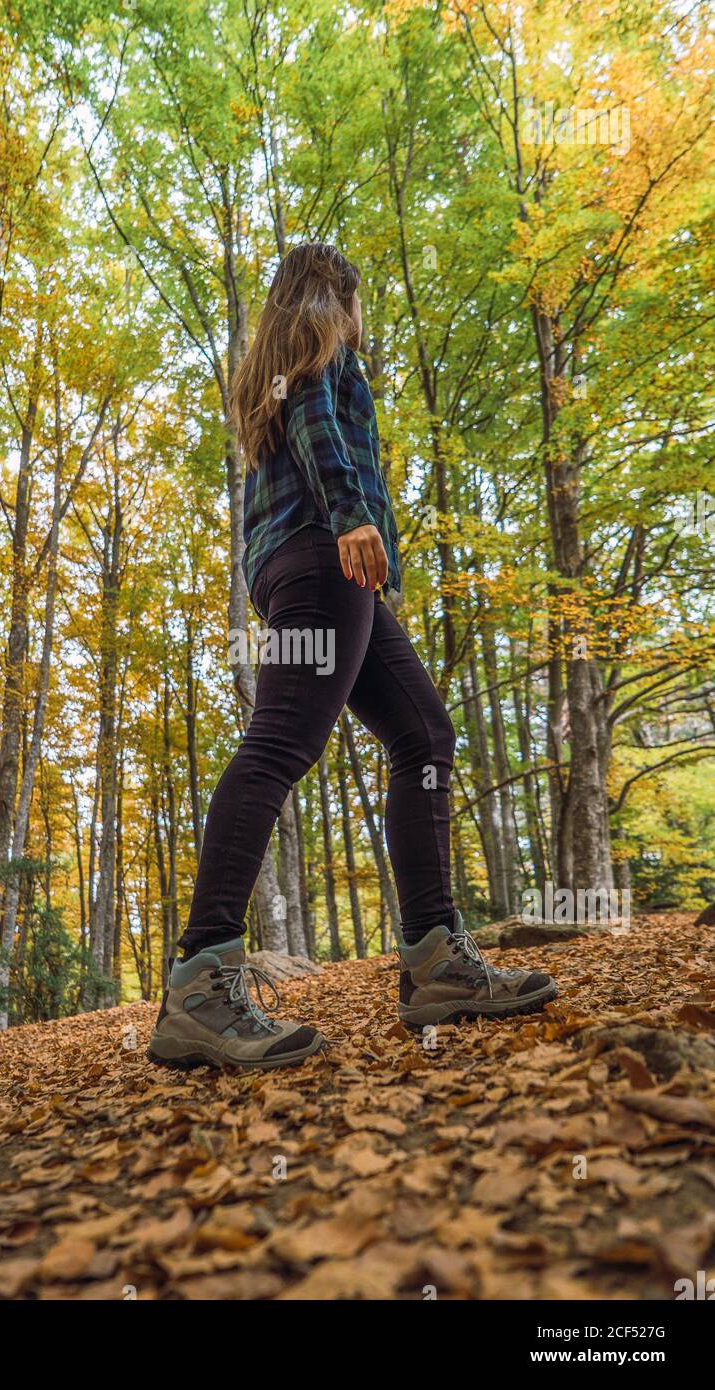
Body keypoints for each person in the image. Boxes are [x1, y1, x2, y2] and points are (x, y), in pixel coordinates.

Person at [148, 243, 557, 1071]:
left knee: (424, 736)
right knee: (278, 747)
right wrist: (349, 517)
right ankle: (201, 978)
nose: (361, 319)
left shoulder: (273, 366)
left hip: (310, 565)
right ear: (336, 296)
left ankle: (436, 963)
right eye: (356, 302)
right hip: (323, 556)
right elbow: (318, 422)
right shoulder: (317, 351)